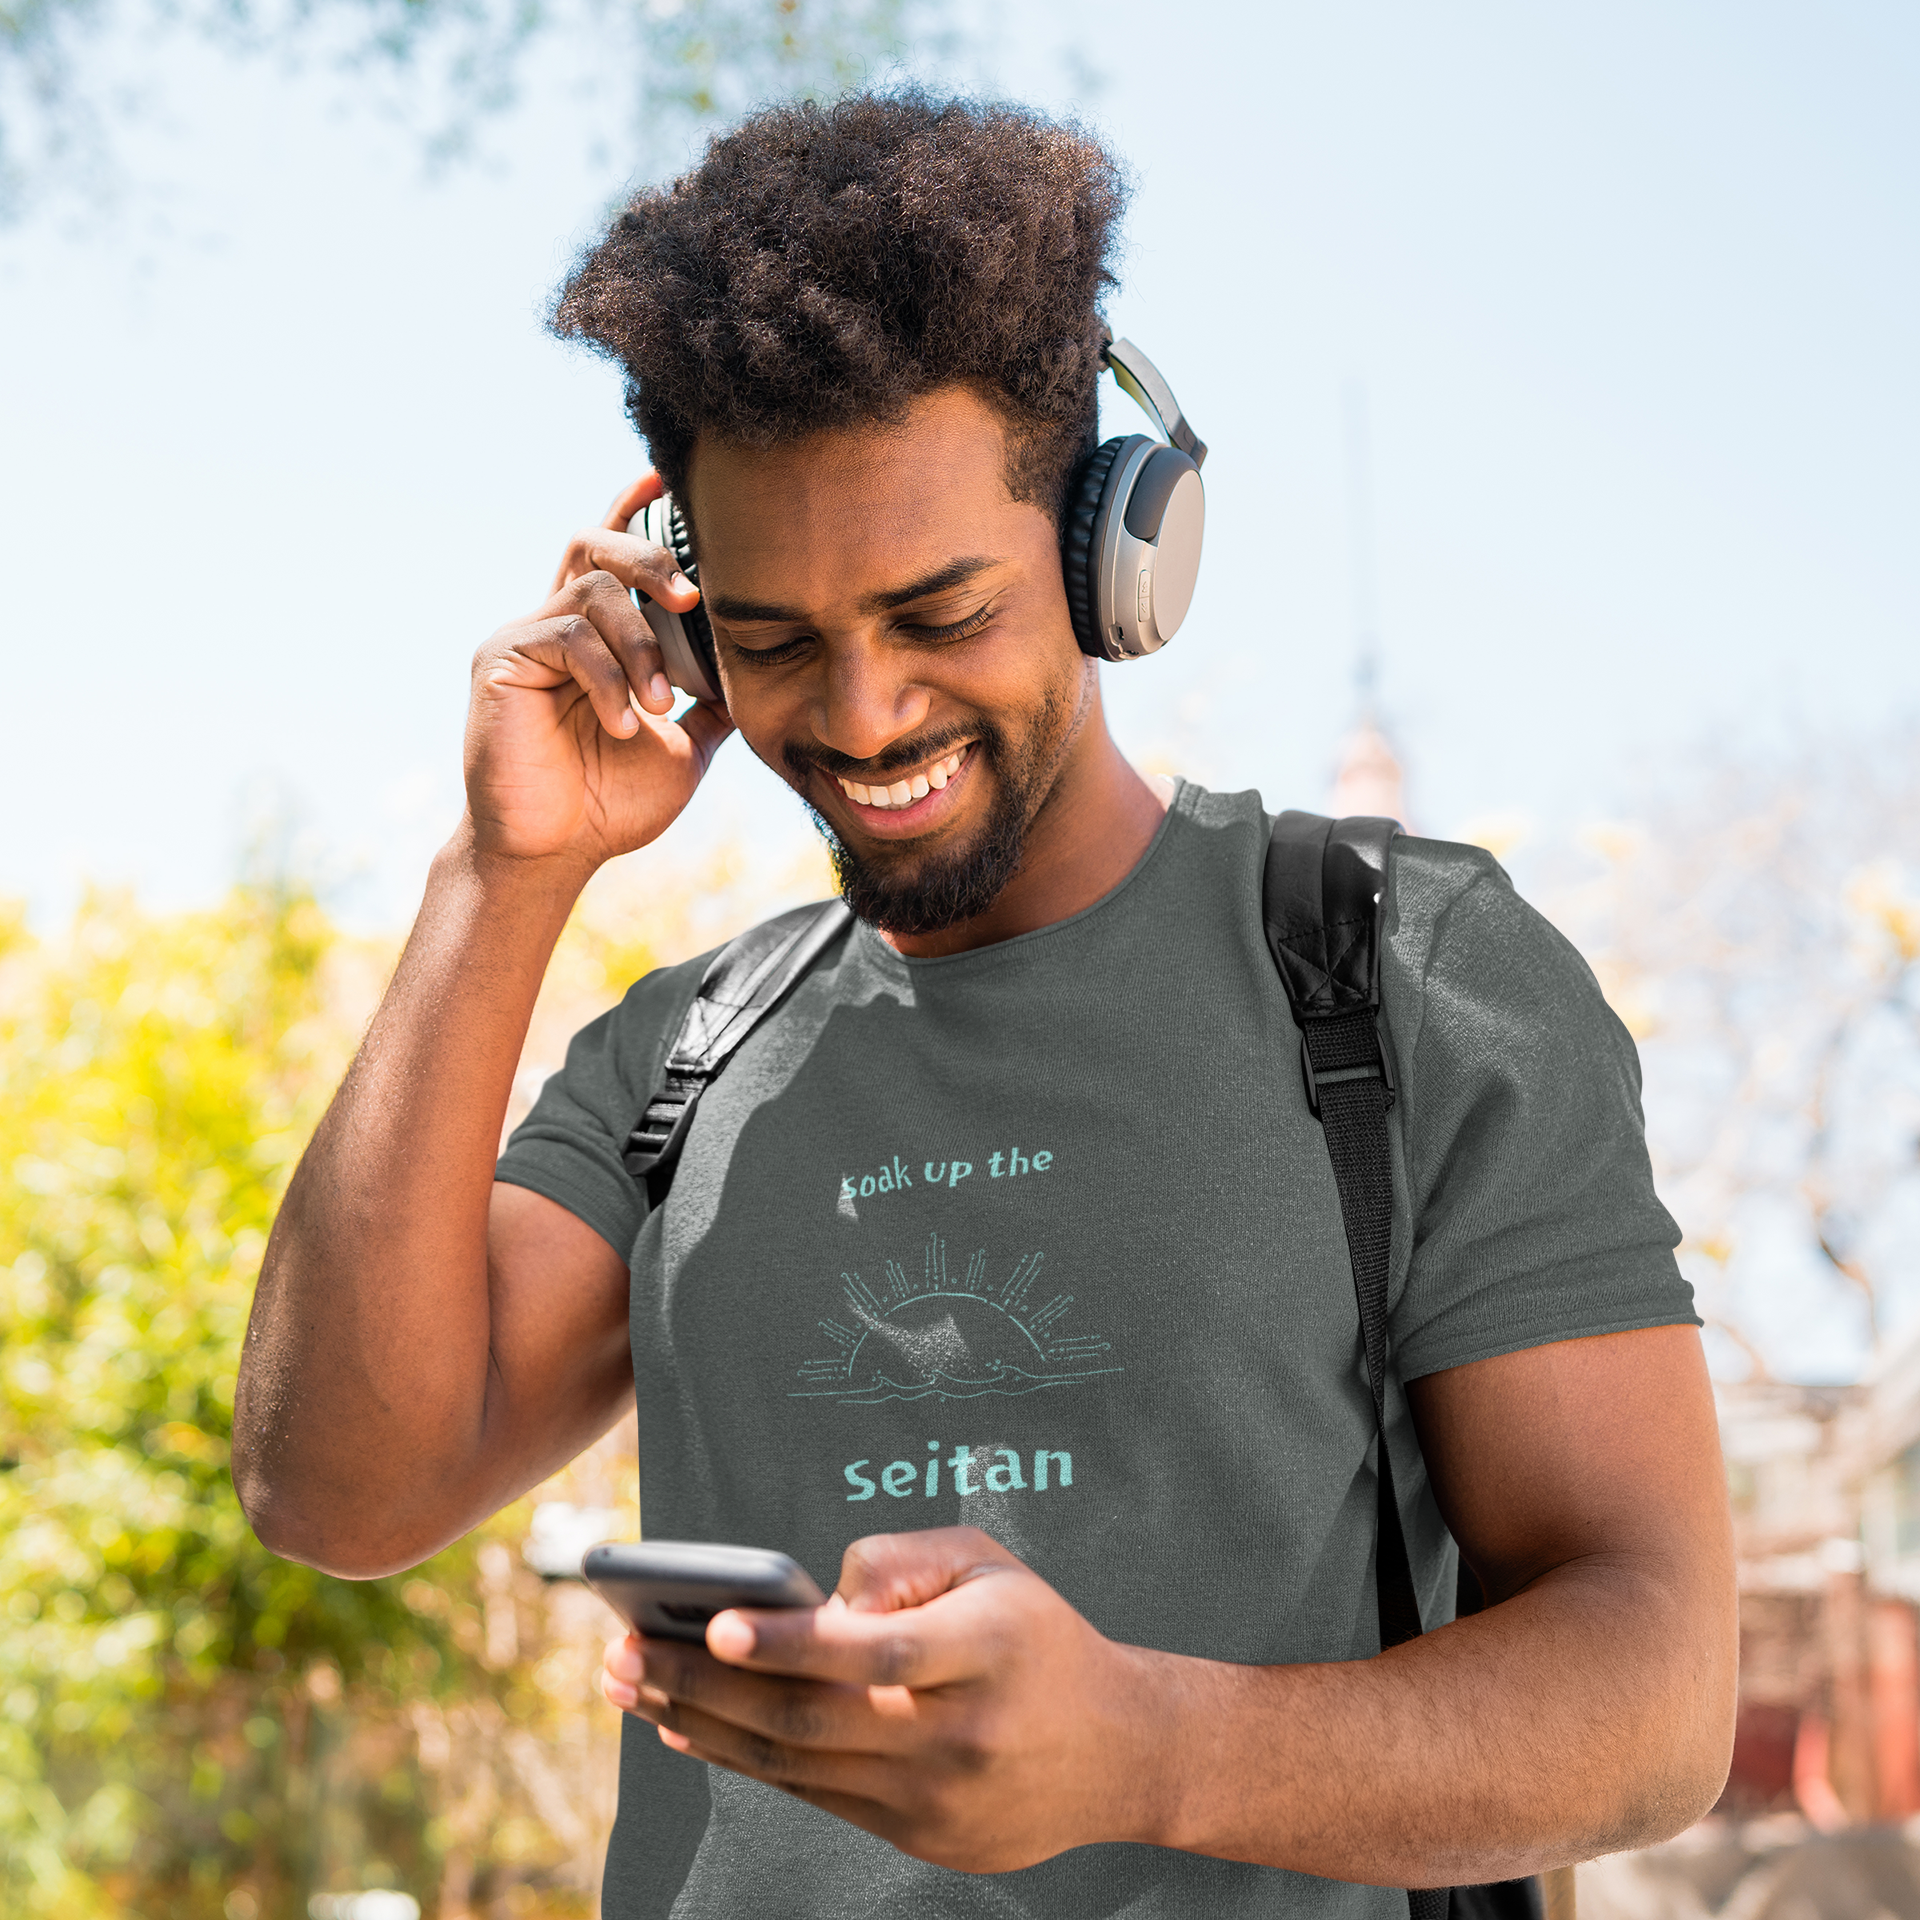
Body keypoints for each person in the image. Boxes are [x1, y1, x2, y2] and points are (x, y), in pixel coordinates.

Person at [233, 90, 1736, 1920]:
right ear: (689, 613)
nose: (863, 716)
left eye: (941, 610)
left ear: (1113, 559)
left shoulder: (1403, 970)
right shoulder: (686, 1058)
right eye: (776, 637)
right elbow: (335, 1490)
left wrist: (1152, 1753)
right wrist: (505, 875)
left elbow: (1658, 1698)